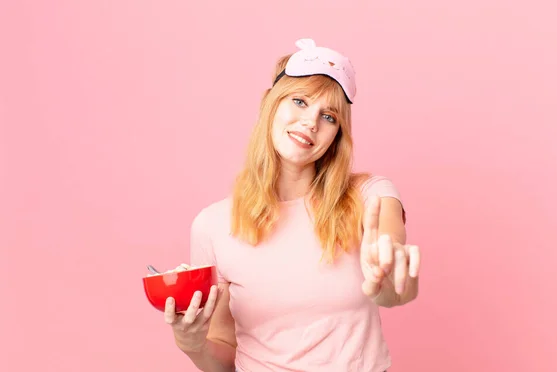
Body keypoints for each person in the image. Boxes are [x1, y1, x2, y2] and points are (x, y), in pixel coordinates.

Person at [162, 38, 421, 372]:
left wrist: (390, 280)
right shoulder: (212, 226)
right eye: (300, 101)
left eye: (328, 116)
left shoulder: (370, 195)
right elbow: (224, 351)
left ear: (336, 136)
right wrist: (191, 344)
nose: (311, 123)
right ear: (270, 103)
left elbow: (394, 281)